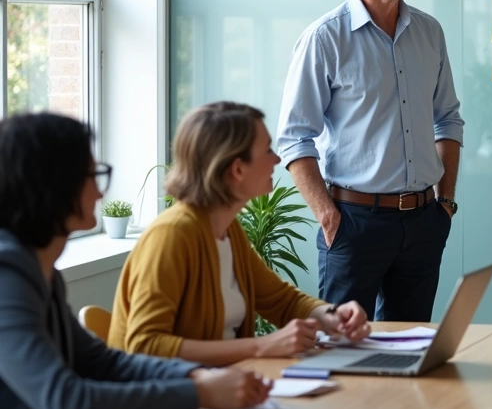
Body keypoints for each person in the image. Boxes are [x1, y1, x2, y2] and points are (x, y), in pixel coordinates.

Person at [0, 113, 268, 409]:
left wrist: (192, 376)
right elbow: (66, 401)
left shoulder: (39, 268)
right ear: (53, 185)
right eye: (92, 176)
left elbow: (101, 362)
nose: (100, 193)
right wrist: (198, 392)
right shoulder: (7, 275)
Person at [278, 0, 464, 322]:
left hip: (422, 223)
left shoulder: (430, 33)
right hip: (354, 224)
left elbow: (448, 118)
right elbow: (294, 138)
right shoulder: (324, 39)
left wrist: (444, 204)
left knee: (409, 348)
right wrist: (329, 219)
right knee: (343, 353)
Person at [109, 102, 371, 366]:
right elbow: (144, 345)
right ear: (237, 169)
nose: (277, 159)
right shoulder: (172, 234)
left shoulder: (227, 229)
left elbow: (280, 300)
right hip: (169, 401)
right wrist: (260, 346)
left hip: (218, 388)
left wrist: (331, 315)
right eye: (267, 149)